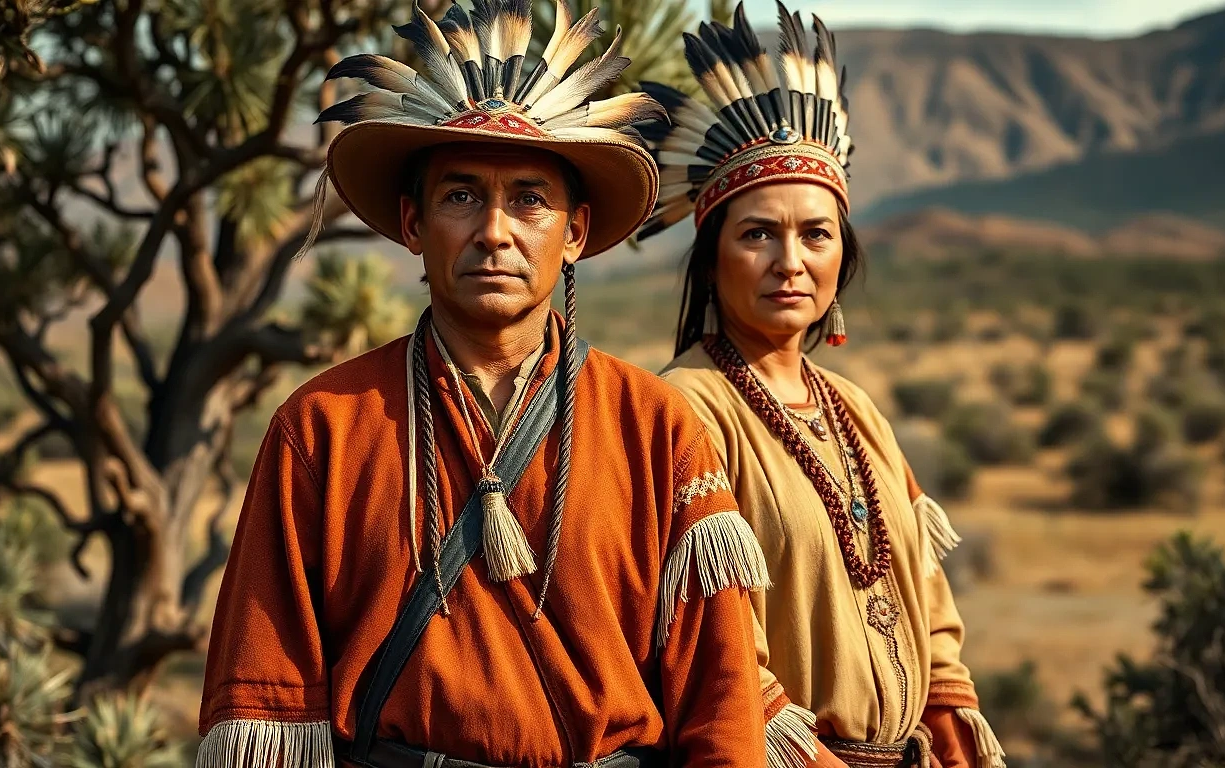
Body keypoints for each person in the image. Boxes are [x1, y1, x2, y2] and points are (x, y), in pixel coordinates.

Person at [197, 3, 771, 766]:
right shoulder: (322, 427)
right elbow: (268, 705)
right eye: (461, 196)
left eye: (529, 199)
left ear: (573, 233)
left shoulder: (657, 426)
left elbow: (720, 699)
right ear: (412, 224)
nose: (494, 232)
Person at [641, 4, 1006, 768]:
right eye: (757, 234)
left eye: (815, 233)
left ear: (844, 253)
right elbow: (712, 646)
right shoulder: (683, 408)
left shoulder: (855, 408)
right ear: (711, 262)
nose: (790, 261)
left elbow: (927, 600)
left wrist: (949, 718)